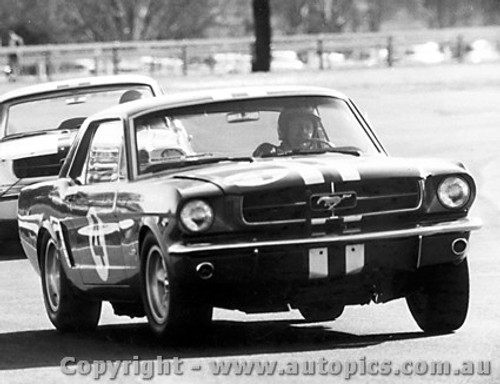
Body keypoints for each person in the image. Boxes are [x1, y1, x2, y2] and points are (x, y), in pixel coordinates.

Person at [253, 108, 323, 157]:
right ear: (284, 130)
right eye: (297, 126)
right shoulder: (269, 154)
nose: (304, 132)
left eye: (308, 127)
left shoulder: (322, 157)